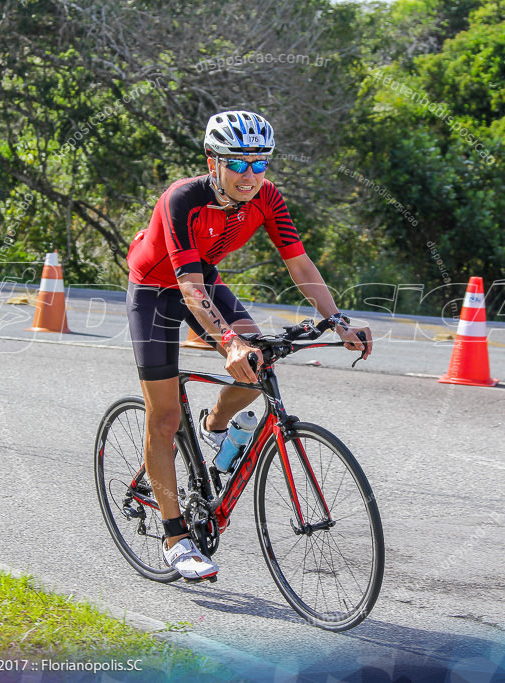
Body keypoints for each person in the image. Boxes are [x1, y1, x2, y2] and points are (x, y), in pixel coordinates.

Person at [125, 110, 372, 580]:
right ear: (212, 160)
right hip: (157, 290)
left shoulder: (267, 197)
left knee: (260, 361)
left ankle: (215, 425)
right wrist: (230, 341)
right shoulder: (183, 198)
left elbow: (299, 265)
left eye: (260, 163)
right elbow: (190, 288)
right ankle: (175, 539)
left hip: (203, 281)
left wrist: (338, 322)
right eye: (238, 163)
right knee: (163, 418)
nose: (250, 174)